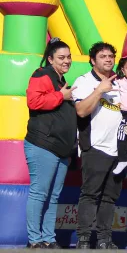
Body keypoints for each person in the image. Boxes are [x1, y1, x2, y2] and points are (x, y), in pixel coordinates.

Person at [24, 38, 77, 249]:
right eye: (61, 57)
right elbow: (33, 101)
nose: (66, 61)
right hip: (43, 144)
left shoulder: (61, 80)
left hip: (62, 148)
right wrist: (60, 96)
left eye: (69, 57)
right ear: (50, 59)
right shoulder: (42, 74)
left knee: (54, 196)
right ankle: (34, 239)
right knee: (40, 192)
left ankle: (48, 237)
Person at [72, 42, 123, 249]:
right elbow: (82, 111)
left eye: (111, 56)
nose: (108, 59)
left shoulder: (121, 82)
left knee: (110, 197)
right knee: (90, 194)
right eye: (103, 56)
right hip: (95, 146)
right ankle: (83, 239)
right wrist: (99, 91)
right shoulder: (84, 81)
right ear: (93, 60)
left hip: (118, 149)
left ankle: (104, 240)